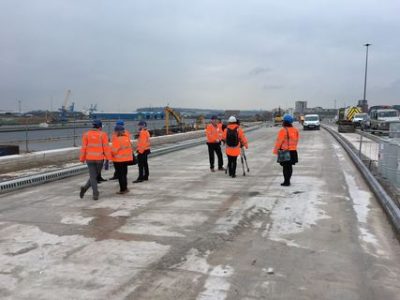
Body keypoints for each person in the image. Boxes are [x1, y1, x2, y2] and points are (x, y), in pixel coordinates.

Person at [79, 119, 111, 200]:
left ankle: (85, 188)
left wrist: (82, 158)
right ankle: (95, 193)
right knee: (94, 176)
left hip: (89, 159)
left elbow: (84, 148)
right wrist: (108, 158)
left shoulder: (86, 135)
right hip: (99, 159)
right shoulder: (103, 135)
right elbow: (106, 148)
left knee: (93, 176)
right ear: (100, 127)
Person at [273, 114, 299, 186]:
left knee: (285, 167)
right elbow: (296, 140)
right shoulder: (295, 130)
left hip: (285, 151)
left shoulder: (283, 130)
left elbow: (279, 141)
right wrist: (293, 147)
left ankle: (286, 182)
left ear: (285, 122)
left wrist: (276, 151)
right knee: (290, 167)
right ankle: (288, 180)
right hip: (293, 151)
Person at [111, 125, 133, 194]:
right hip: (126, 159)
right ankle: (125, 188)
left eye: (115, 131)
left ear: (117, 131)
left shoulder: (117, 139)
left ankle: (122, 190)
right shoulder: (127, 138)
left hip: (118, 160)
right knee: (124, 174)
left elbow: (114, 151)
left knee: (120, 176)